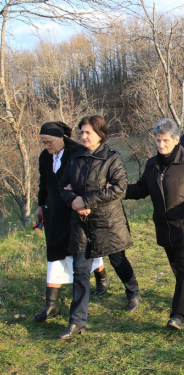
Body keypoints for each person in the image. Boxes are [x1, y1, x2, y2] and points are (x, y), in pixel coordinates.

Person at [125, 118, 184, 331]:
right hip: (165, 227)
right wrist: (119, 191)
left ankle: (178, 315)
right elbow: (141, 189)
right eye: (158, 140)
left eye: (165, 140)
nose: (161, 145)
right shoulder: (152, 164)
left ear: (176, 140)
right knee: (176, 266)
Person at [58, 115, 141, 340]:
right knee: (81, 271)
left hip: (107, 221)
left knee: (118, 260)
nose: (83, 136)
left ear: (100, 135)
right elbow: (62, 185)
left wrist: (86, 200)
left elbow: (118, 188)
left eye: (88, 132)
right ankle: (77, 321)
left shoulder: (112, 159)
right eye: (81, 132)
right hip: (81, 224)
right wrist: (74, 201)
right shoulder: (74, 157)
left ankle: (133, 291)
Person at [34, 121, 108, 323]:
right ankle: (52, 305)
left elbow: (87, 179)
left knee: (81, 250)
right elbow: (44, 182)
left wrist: (85, 203)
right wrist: (41, 206)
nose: (45, 146)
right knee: (55, 251)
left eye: (48, 142)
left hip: (74, 209)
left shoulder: (76, 152)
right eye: (43, 142)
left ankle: (101, 276)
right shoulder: (44, 157)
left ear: (61, 139)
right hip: (52, 210)